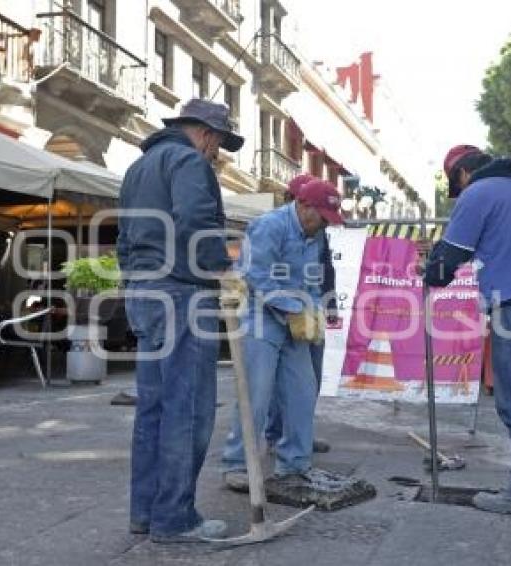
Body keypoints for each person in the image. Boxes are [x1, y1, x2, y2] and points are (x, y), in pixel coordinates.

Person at [117, 99, 243, 542]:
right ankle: (173, 517)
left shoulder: (140, 166)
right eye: (220, 144)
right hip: (182, 291)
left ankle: (146, 512)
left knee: (153, 407)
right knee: (187, 409)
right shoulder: (190, 161)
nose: (218, 153)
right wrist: (220, 270)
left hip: (145, 292)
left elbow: (125, 239)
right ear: (207, 134)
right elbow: (196, 219)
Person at [422, 144, 511, 518]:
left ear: (463, 173)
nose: (459, 193)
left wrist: (431, 272)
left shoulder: (478, 193)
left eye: (457, 185)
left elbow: (450, 258)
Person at [222, 179, 344, 491]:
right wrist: (293, 309)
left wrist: (314, 310)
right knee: (257, 395)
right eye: (322, 217)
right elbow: (256, 276)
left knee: (303, 391)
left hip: (296, 316)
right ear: (303, 206)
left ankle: (294, 464)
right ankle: (236, 464)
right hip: (261, 318)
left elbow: (313, 280)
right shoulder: (269, 226)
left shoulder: (314, 233)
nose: (324, 225)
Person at [265, 174, 337, 454]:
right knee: (280, 383)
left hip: (311, 311)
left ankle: (300, 435)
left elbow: (325, 269)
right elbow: (264, 276)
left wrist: (328, 306)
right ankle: (276, 435)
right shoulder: (274, 228)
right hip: (282, 314)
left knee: (311, 379)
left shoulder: (318, 231)